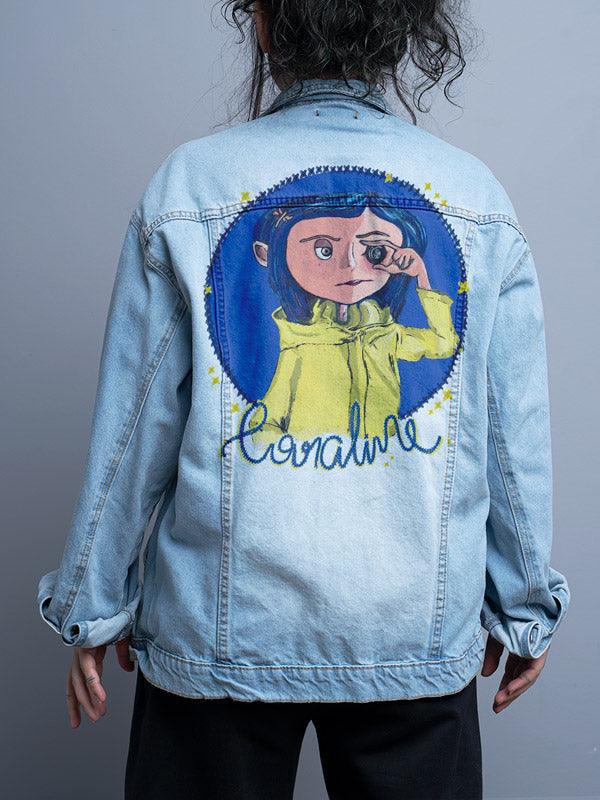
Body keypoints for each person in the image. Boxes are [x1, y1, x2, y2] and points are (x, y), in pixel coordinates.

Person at [37, 2, 571, 798]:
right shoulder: (476, 198)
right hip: (411, 630)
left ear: (260, 23)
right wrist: (525, 607)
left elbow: (134, 426)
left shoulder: (191, 184)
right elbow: (510, 433)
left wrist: (93, 601)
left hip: (219, 634)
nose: (351, 267)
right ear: (403, 29)